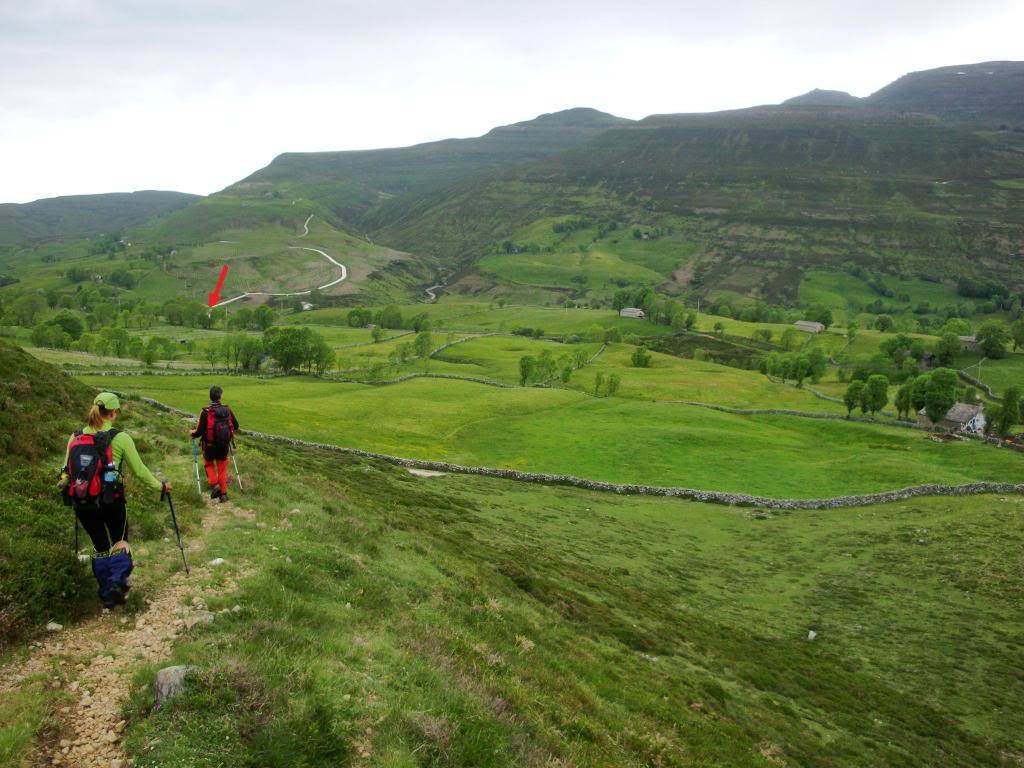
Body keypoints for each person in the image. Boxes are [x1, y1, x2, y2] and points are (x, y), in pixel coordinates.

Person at [61, 392, 169, 608]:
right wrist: (161, 486)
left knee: (100, 545)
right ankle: (116, 584)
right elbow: (139, 470)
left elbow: (65, 471)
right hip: (112, 501)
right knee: (120, 541)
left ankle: (105, 592)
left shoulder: (75, 437)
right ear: (113, 413)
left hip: (84, 503)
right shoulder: (120, 438)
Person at [190, 385, 239, 502]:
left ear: (210, 397)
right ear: (220, 396)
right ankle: (223, 494)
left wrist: (192, 433)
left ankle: (214, 485)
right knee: (222, 468)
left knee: (208, 464)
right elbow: (236, 426)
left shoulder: (205, 412)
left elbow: (199, 432)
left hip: (210, 446)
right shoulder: (227, 409)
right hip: (223, 445)